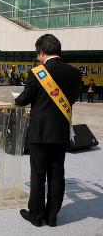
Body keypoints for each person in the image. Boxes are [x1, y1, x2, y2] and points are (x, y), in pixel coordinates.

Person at [15, 34, 82, 227]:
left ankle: (36, 215)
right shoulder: (74, 73)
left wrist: (16, 100)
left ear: (41, 52)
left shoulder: (37, 73)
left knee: (38, 175)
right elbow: (72, 99)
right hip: (60, 131)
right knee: (57, 173)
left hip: (40, 132)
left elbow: (23, 100)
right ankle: (52, 217)